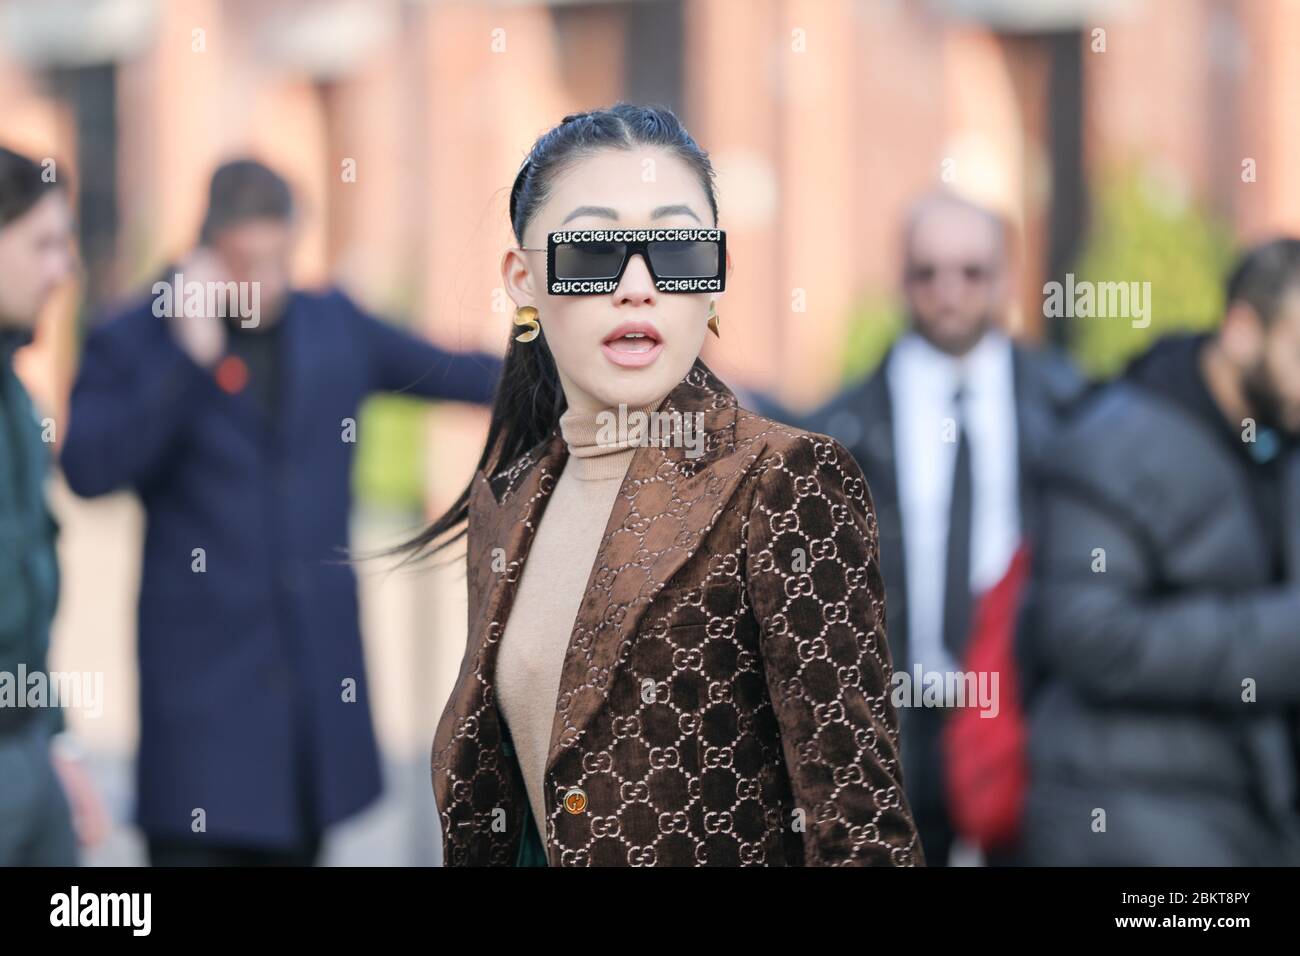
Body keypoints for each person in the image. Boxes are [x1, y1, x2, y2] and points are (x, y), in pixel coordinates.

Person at [411, 103, 922, 867]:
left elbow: (862, 833)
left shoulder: (784, 483)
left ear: (714, 280)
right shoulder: (509, 502)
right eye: (593, 251)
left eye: (678, 251)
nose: (639, 285)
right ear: (523, 278)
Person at [60, 159, 503, 866]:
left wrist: (584, 368)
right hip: (202, 720)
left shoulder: (332, 324)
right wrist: (187, 362)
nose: (264, 282)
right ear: (207, 248)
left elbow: (453, 370)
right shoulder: (138, 335)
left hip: (310, 726)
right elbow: (88, 469)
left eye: (278, 260)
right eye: (246, 262)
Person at [801, 191, 1084, 865]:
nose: (949, 291)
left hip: (1022, 709)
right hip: (896, 716)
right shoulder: (840, 427)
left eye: (971, 271)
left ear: (1005, 278)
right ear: (903, 280)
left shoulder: (1068, 409)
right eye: (928, 272)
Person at [1019, 238, 1300, 865]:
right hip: (1128, 827)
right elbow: (1091, 636)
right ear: (1243, 331)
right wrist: (1282, 638)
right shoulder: (1108, 445)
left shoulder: (1280, 442)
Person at [0, 145, 107, 864]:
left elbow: (27, 601)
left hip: (26, 751)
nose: (64, 269)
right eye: (42, 243)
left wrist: (56, 741)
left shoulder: (19, 401)